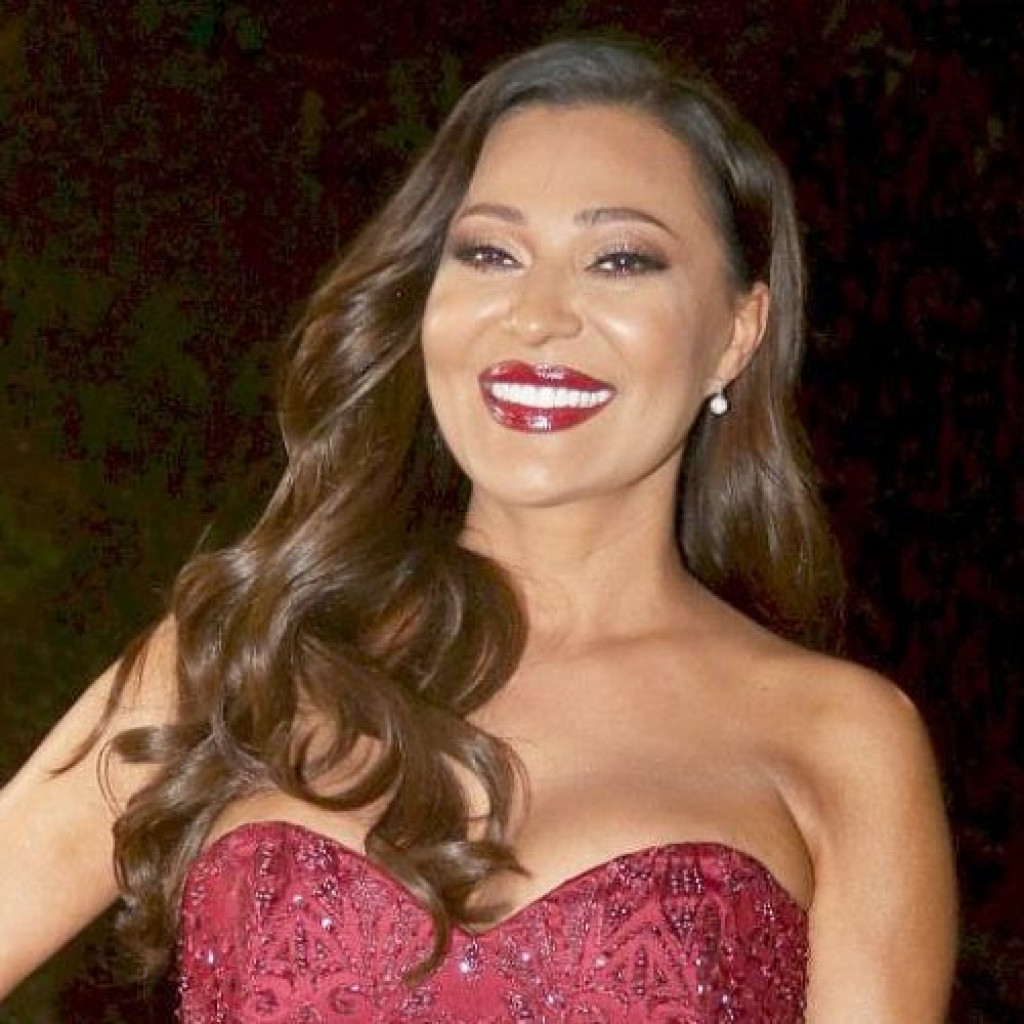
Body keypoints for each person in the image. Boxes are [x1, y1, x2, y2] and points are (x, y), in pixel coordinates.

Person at [0, 38, 956, 1021]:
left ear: (736, 333)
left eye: (619, 260)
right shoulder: (241, 656)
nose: (535, 316)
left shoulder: (840, 741)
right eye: (490, 253)